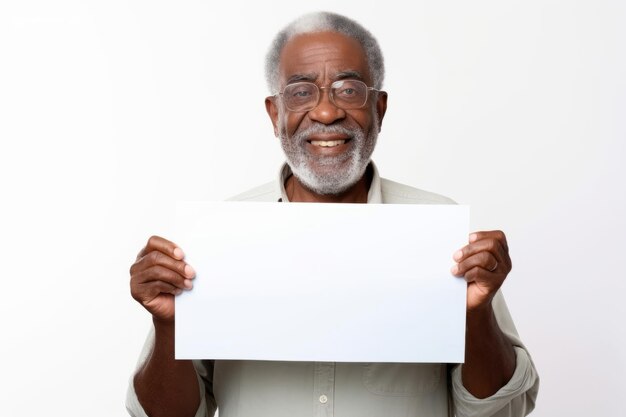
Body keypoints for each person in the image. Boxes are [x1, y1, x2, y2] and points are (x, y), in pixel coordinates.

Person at [126, 11, 539, 417]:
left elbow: (503, 410)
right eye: (302, 92)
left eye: (348, 89)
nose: (326, 113)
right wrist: (168, 326)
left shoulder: (440, 229)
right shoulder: (217, 237)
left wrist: (476, 316)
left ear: (379, 108)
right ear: (275, 114)